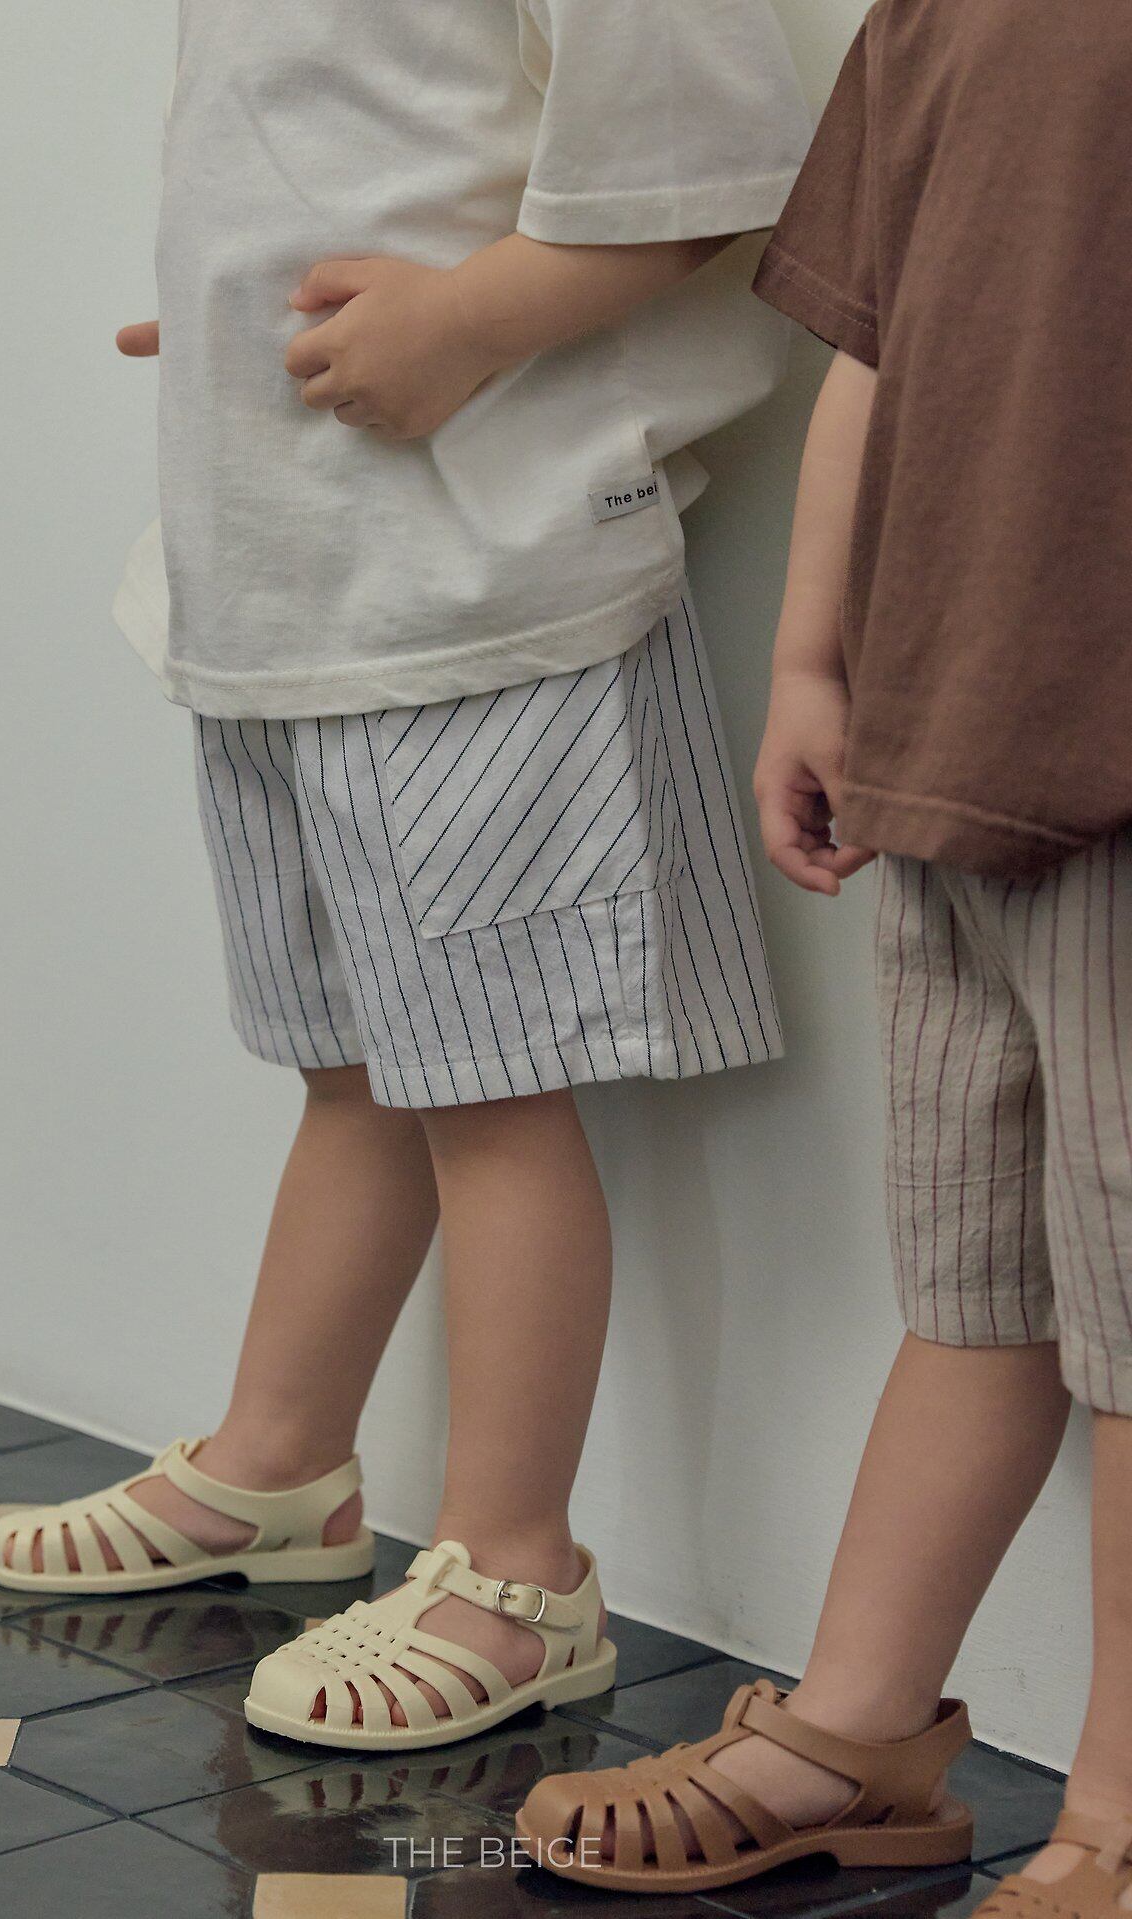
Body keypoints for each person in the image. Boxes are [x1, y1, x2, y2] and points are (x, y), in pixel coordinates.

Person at [0, 1, 810, 1753]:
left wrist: (461, 320)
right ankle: (280, 1461)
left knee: (495, 1090)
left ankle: (520, 1574)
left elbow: (713, 153)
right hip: (283, 570)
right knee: (350, 1063)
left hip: (470, 582)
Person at [517, 0, 1132, 1893]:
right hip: (951, 750)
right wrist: (811, 661)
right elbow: (875, 334)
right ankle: (862, 1727)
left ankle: (1116, 1814)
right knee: (975, 1284)